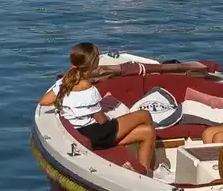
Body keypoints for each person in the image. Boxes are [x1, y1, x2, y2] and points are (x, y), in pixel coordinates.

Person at [41, 41, 160, 174]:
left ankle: (145, 172)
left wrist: (67, 106)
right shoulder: (89, 89)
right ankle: (154, 165)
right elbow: (101, 120)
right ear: (93, 63)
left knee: (147, 132)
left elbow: (44, 101)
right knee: (144, 115)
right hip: (96, 135)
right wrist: (113, 118)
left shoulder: (63, 83)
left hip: (79, 133)